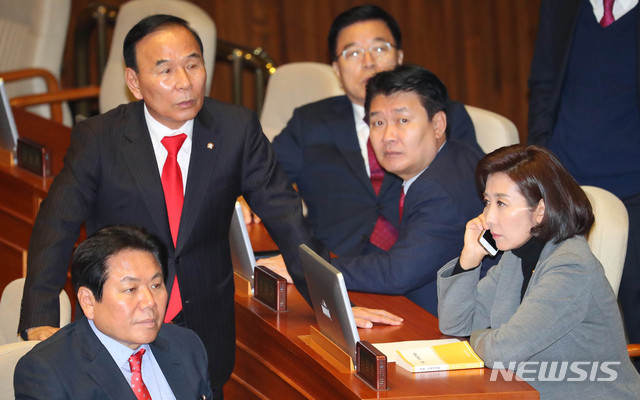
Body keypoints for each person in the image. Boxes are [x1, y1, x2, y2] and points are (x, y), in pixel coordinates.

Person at [17, 14, 399, 398]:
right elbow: (57, 225)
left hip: (203, 327)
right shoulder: (100, 138)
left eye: (193, 64)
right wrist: (39, 319)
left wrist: (333, 306)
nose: (184, 82)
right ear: (134, 82)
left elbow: (287, 219)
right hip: (120, 325)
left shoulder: (235, 130)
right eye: (165, 70)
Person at [270, 4, 481, 258]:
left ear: (400, 57)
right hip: (335, 263)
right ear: (336, 69)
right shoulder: (309, 122)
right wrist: (244, 198)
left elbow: (476, 192)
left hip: (422, 267)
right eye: (354, 53)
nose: (369, 63)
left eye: (380, 49)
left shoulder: (444, 114)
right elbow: (263, 177)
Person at [437, 145, 640, 399]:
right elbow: (456, 324)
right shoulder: (516, 254)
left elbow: (503, 352)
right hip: (523, 389)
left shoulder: (570, 267)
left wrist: (474, 339)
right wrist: (469, 258)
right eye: (487, 202)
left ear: (540, 211)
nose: (488, 217)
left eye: (502, 203)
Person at [310, 64, 481, 316]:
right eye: (378, 122)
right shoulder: (458, 154)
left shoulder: (440, 192)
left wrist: (310, 269)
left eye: (402, 120)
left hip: (455, 325)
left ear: (438, 124)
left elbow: (397, 274)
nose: (388, 135)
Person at [527, 0, 640, 351]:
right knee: (551, 311)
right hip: (564, 188)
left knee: (633, 316)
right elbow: (543, 83)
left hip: (634, 188)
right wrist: (543, 163)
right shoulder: (560, 6)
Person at [15, 225, 214, 399]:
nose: (150, 302)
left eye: (156, 285)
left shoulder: (188, 347)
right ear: (88, 301)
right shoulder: (48, 372)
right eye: (131, 289)